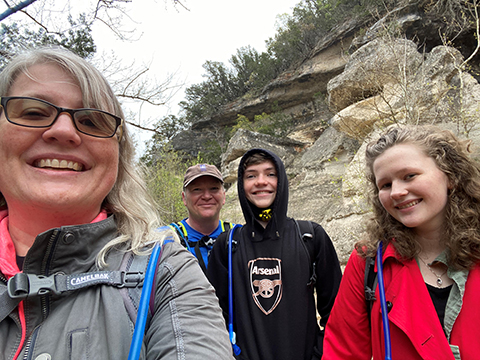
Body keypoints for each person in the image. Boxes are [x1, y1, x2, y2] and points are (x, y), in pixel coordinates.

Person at [0, 46, 233, 360]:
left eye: (92, 121)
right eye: (33, 112)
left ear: (119, 157)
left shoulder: (165, 267)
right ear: (183, 197)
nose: (64, 131)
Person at [323, 125, 480, 360]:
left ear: (450, 176)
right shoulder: (369, 263)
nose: (396, 192)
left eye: (409, 176)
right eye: (385, 185)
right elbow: (343, 353)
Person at [207, 148, 342, 360]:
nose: (261, 181)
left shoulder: (310, 236)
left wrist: (319, 353)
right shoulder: (227, 245)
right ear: (242, 186)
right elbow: (213, 317)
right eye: (251, 175)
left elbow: (336, 311)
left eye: (270, 174)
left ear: (282, 181)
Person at [169, 163, 232, 273]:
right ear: (184, 198)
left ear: (223, 196)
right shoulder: (167, 239)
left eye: (213, 188)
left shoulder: (238, 236)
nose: (207, 196)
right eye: (197, 189)